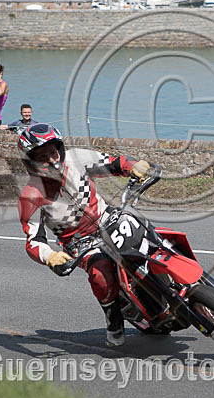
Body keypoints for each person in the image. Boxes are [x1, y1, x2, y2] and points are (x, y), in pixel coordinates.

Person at [17, 123, 151, 347]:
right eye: (42, 157)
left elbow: (113, 162)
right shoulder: (30, 196)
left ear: (60, 149)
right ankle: (113, 319)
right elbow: (33, 241)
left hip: (109, 218)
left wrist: (134, 166)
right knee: (101, 271)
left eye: (53, 152)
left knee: (149, 233)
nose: (51, 160)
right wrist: (50, 256)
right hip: (79, 242)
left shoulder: (76, 159)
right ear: (30, 161)